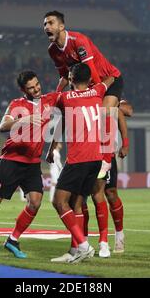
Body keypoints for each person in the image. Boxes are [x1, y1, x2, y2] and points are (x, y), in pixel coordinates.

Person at [0, 70, 60, 261]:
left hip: (32, 163)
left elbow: (65, 88)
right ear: (23, 89)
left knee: (35, 202)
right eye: (31, 87)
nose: (36, 89)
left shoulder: (48, 100)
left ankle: (12, 240)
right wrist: (24, 120)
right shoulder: (17, 104)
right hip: (11, 161)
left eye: (37, 84)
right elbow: (3, 126)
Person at [47, 63, 115, 263]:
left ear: (70, 77)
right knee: (77, 203)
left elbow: (51, 102)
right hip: (96, 159)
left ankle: (84, 246)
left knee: (59, 201)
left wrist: (60, 85)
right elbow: (112, 77)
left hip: (79, 159)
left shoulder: (65, 97)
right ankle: (76, 250)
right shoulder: (97, 91)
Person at [44, 10, 123, 178]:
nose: (46, 26)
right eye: (44, 24)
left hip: (108, 80)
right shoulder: (53, 50)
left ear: (61, 26)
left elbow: (93, 73)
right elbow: (65, 77)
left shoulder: (78, 41)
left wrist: (92, 96)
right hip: (85, 86)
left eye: (50, 23)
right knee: (67, 115)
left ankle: (106, 161)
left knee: (103, 112)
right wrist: (57, 97)